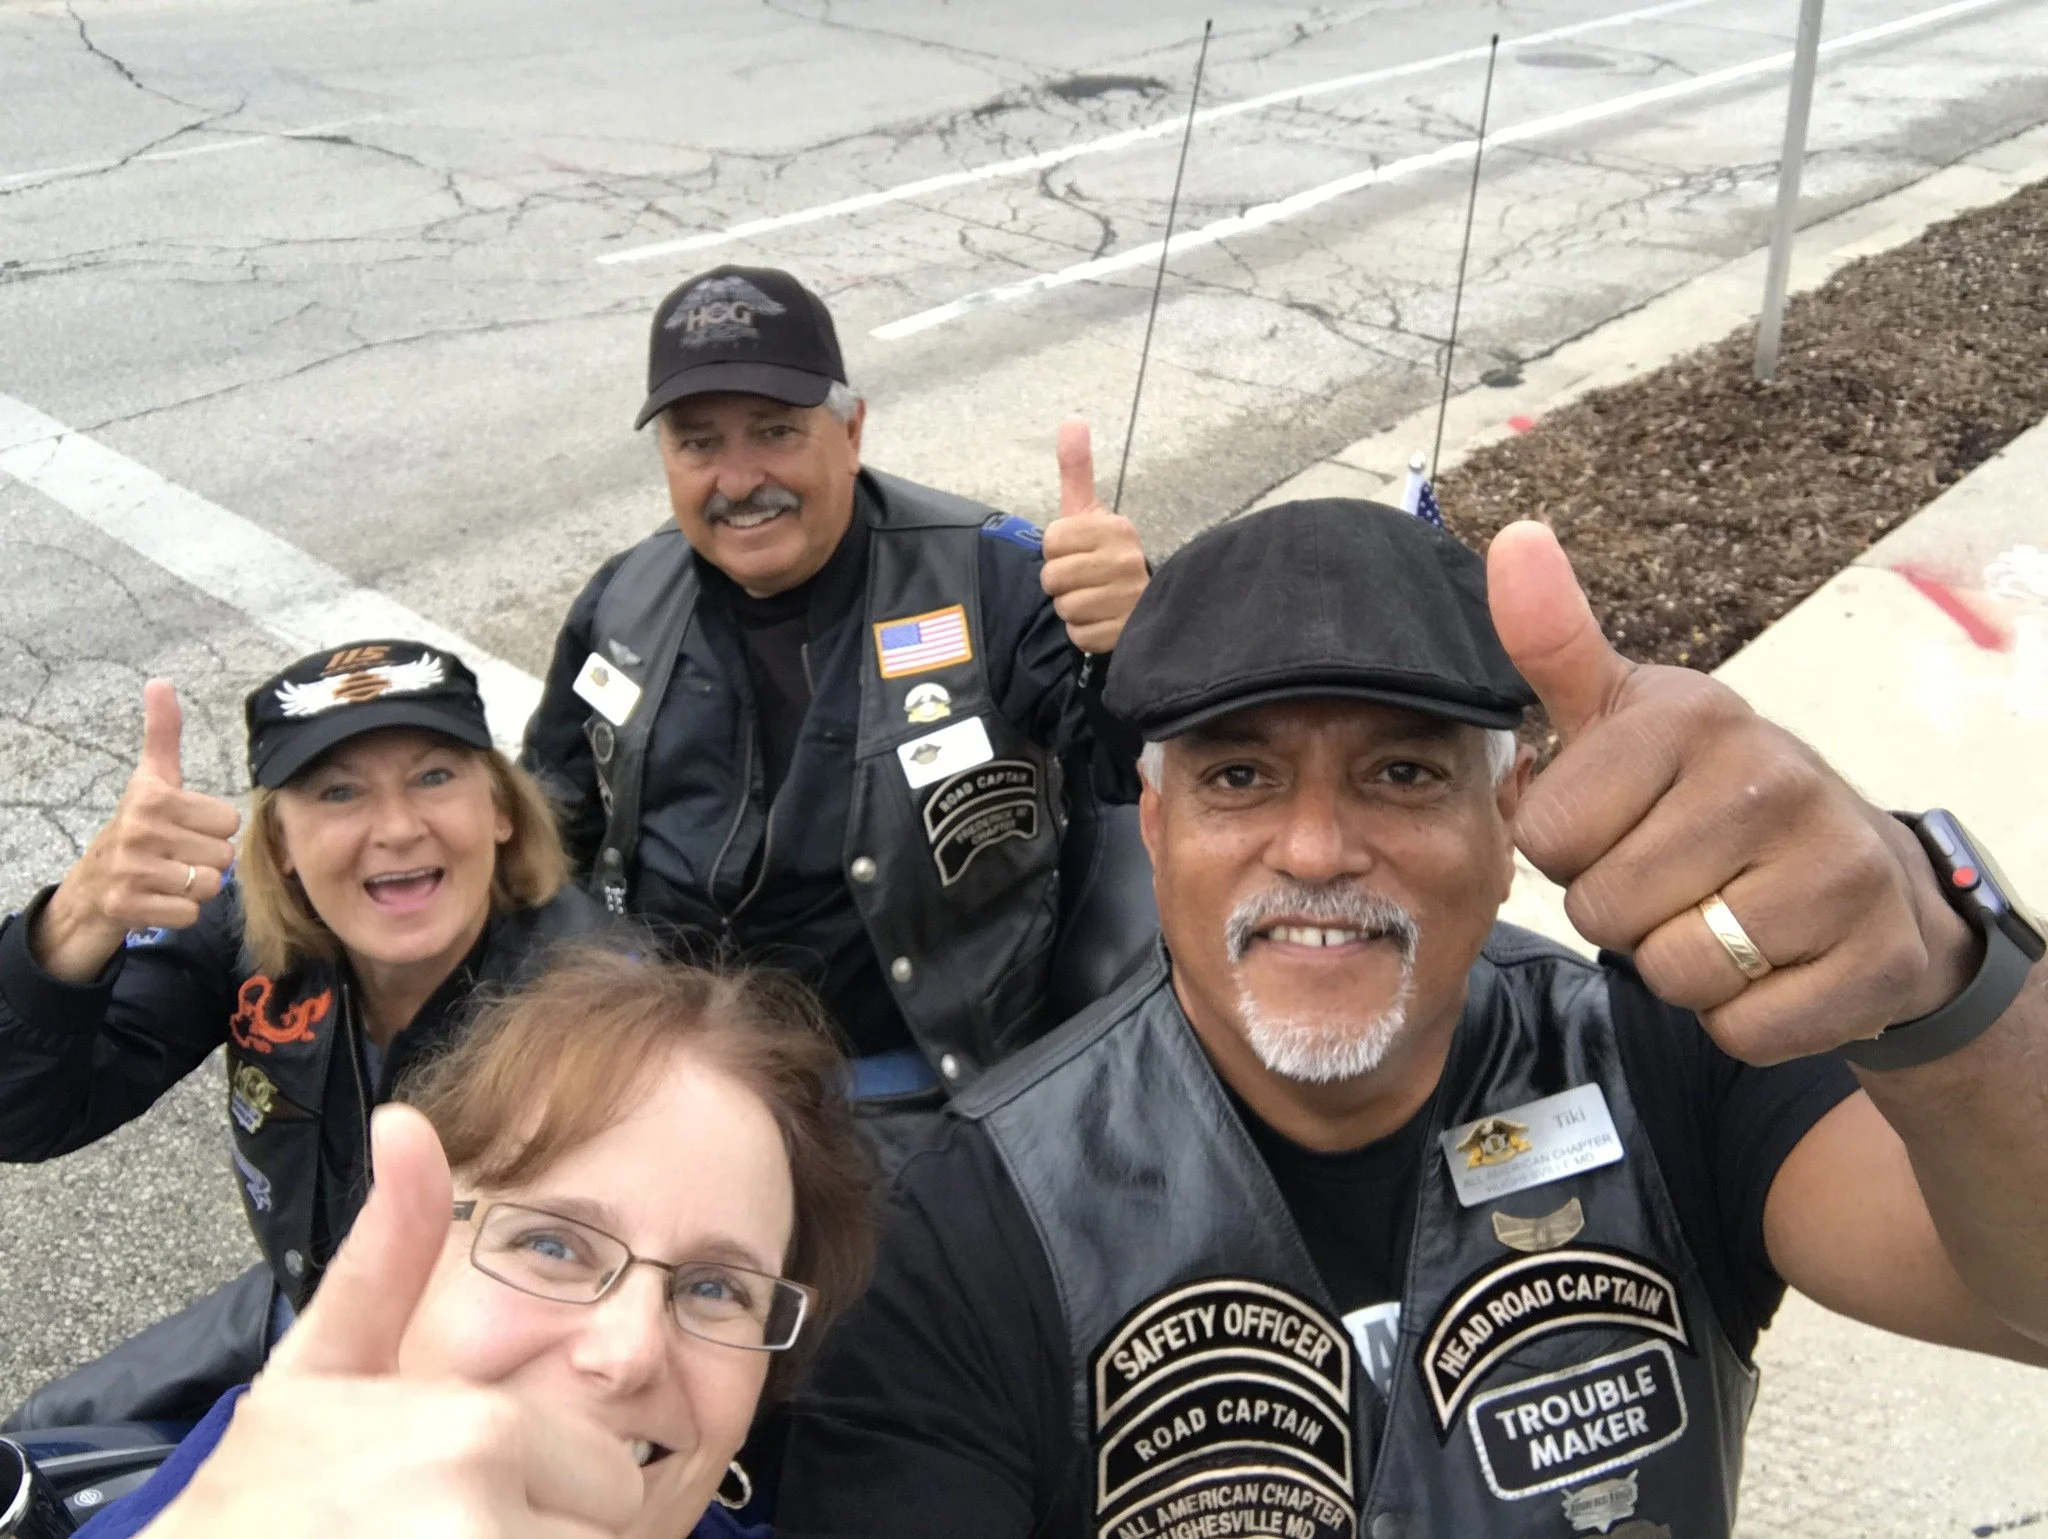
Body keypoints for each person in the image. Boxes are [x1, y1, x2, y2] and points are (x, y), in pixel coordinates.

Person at [771, 500, 2048, 1539]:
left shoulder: (1669, 1058)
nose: (1316, 849)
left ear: (1508, 816)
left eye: (1400, 771)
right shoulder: (964, 1230)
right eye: (1238, 775)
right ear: (1154, 830)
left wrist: (1943, 984)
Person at [522, 264, 1154, 1104]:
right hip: (674, 1081)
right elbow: (546, 823)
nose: (738, 481)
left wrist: (1137, 637)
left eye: (776, 432)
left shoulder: (991, 580)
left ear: (851, 433)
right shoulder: (624, 598)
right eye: (699, 443)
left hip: (926, 1094)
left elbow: (1145, 763)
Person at [69, 947, 875, 1539]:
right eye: (551, 1245)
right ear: (410, 1259)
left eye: (714, 1288)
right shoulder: (237, 1502)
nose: (629, 1352)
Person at [0, 640, 606, 1427]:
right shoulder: (242, 931)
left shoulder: (604, 1009)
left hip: (476, 1382)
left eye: (433, 776)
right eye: (339, 791)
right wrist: (78, 918)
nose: (397, 826)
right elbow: (23, 1113)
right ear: (280, 843)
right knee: (44, 1439)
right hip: (309, 1291)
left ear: (499, 808)